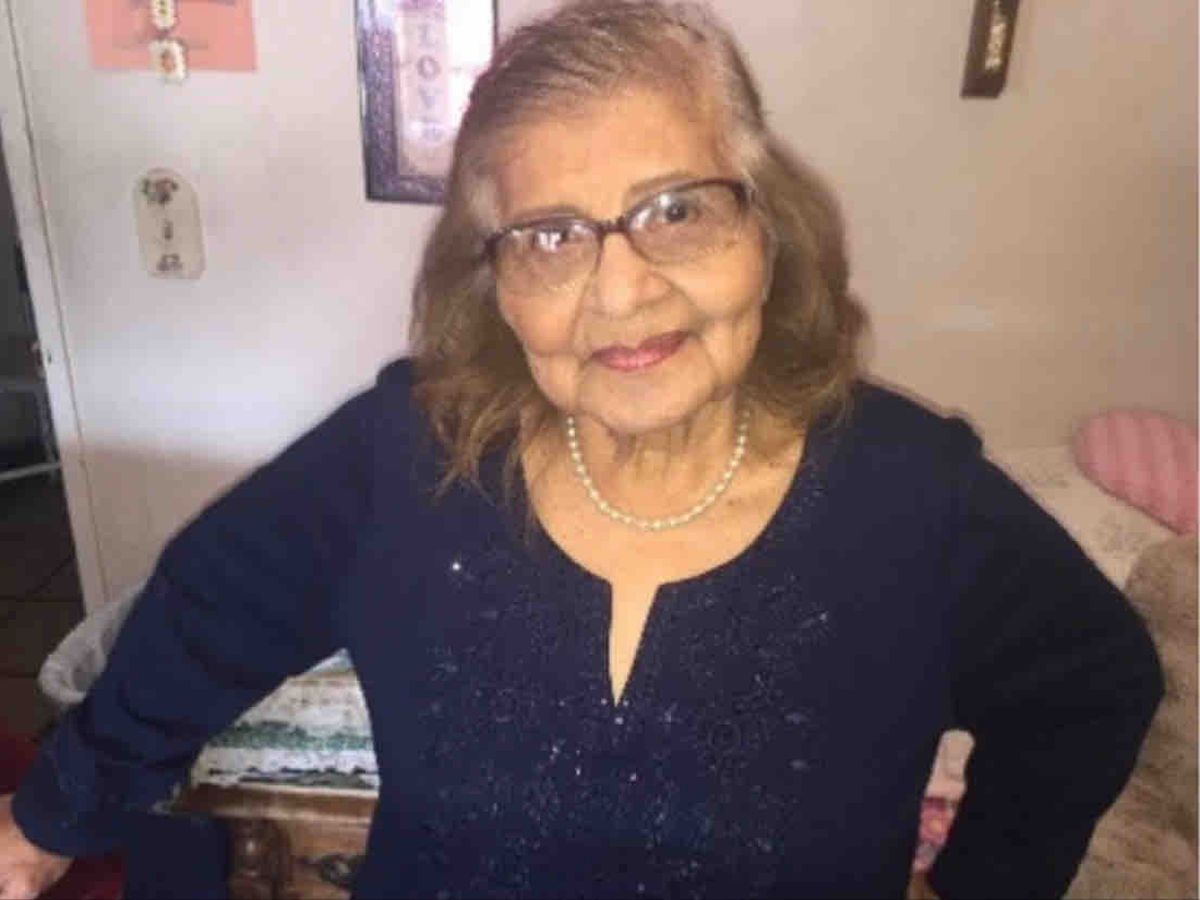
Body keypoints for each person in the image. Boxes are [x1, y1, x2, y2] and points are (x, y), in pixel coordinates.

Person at [0, 2, 1163, 897]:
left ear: (767, 230)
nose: (621, 290)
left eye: (677, 210)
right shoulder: (403, 460)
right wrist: (51, 819)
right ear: (493, 288)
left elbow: (1093, 683)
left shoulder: (918, 501)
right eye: (551, 237)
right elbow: (206, 611)